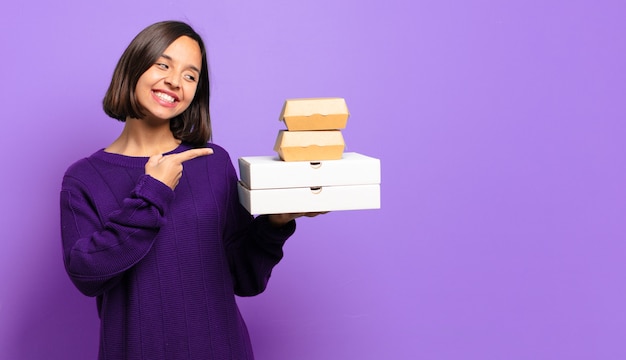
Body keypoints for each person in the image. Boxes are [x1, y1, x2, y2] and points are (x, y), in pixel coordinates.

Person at [60, 20, 321, 360]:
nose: (174, 81)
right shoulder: (84, 178)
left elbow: (245, 278)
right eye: (163, 64)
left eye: (190, 75)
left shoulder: (213, 162)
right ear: (134, 66)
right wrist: (152, 190)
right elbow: (87, 274)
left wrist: (275, 222)